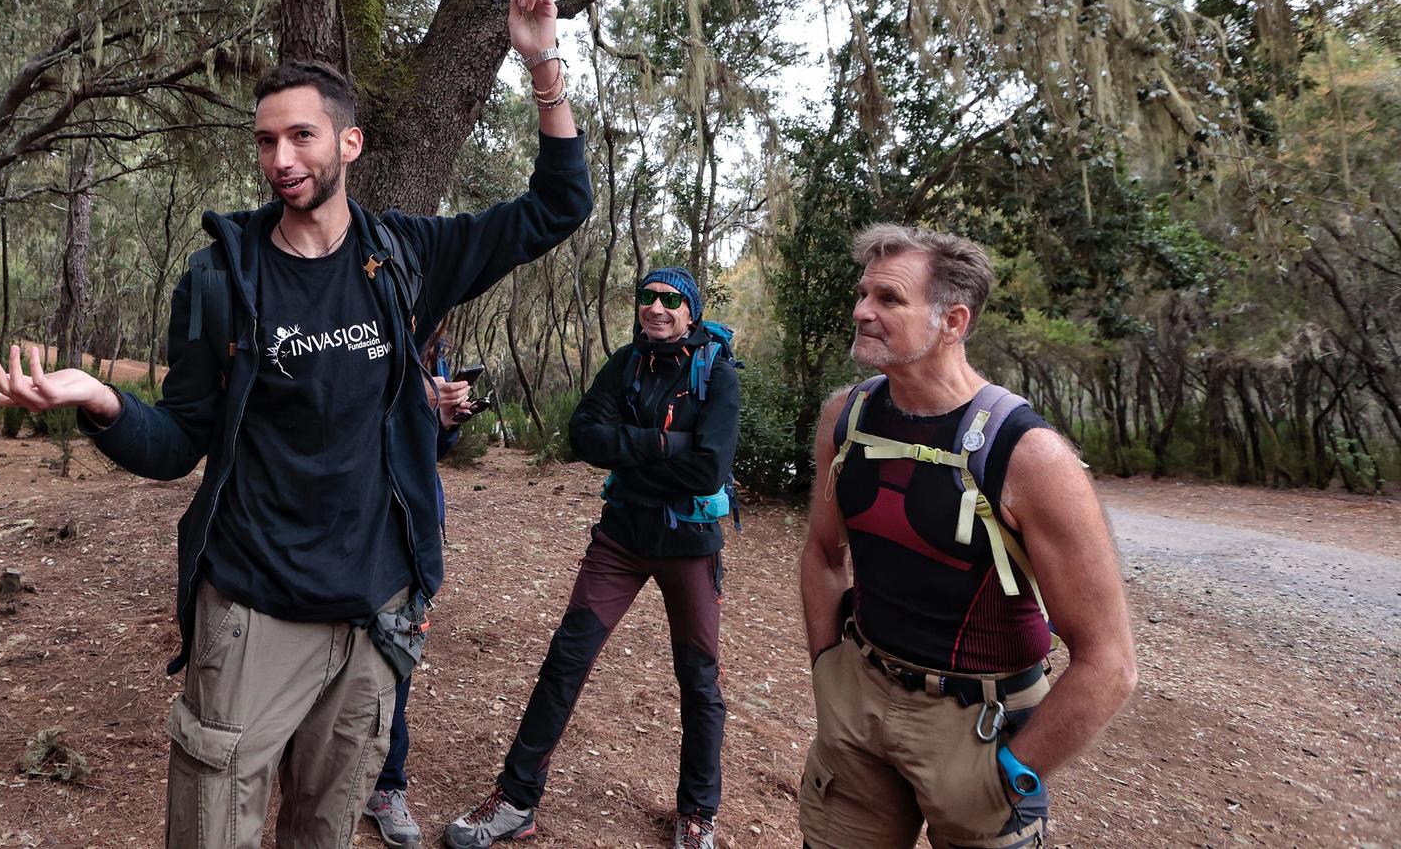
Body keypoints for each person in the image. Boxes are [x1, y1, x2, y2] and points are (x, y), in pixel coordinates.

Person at [0, 0, 594, 849]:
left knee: (323, 833)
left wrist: (542, 65)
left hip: (373, 616)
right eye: (266, 141)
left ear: (350, 141)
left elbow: (560, 206)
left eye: (301, 135)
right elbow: (178, 442)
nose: (281, 158)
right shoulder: (222, 280)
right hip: (251, 613)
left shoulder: (408, 256)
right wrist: (104, 402)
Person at [797, 224, 1137, 849]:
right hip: (858, 706)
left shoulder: (1030, 457)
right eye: (863, 293)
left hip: (981, 726)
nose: (861, 311)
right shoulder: (846, 417)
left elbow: (1108, 661)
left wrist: (1012, 772)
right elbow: (823, 555)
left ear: (952, 321)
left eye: (888, 299)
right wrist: (828, 672)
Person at [445, 266, 741, 849]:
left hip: (688, 545)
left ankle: (697, 812)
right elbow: (583, 436)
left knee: (699, 679)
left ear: (692, 312)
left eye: (670, 300)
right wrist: (664, 445)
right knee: (566, 659)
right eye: (647, 298)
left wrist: (627, 447)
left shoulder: (718, 376)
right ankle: (517, 799)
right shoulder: (625, 363)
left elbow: (709, 467)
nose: (655, 308)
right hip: (621, 538)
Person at [364, 328, 485, 848]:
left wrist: (443, 418)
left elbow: (432, 448)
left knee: (398, 657)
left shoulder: (432, 344)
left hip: (410, 529)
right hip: (348, 522)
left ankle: (387, 785)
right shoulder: (352, 321)